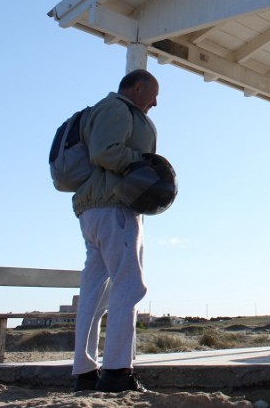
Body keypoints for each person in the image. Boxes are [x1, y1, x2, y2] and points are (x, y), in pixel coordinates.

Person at [71, 69, 159, 393]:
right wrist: (145, 165)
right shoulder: (117, 109)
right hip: (115, 208)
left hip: (95, 210)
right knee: (129, 286)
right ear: (138, 88)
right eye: (153, 95)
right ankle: (117, 372)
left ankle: (84, 372)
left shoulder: (104, 110)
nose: (156, 102)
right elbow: (105, 151)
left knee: (95, 293)